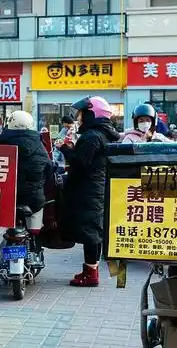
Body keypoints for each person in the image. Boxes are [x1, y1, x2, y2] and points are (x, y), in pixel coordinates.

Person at [55, 96, 120, 287]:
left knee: (91, 232)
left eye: (82, 114)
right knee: (93, 230)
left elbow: (80, 162)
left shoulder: (92, 136)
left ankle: (91, 275)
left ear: (93, 114)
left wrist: (66, 149)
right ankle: (89, 270)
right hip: (97, 187)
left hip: (88, 189)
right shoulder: (104, 133)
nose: (79, 118)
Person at [0, 111, 50, 290]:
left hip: (3, 200)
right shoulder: (39, 145)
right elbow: (49, 170)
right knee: (35, 230)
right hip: (33, 201)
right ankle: (34, 252)